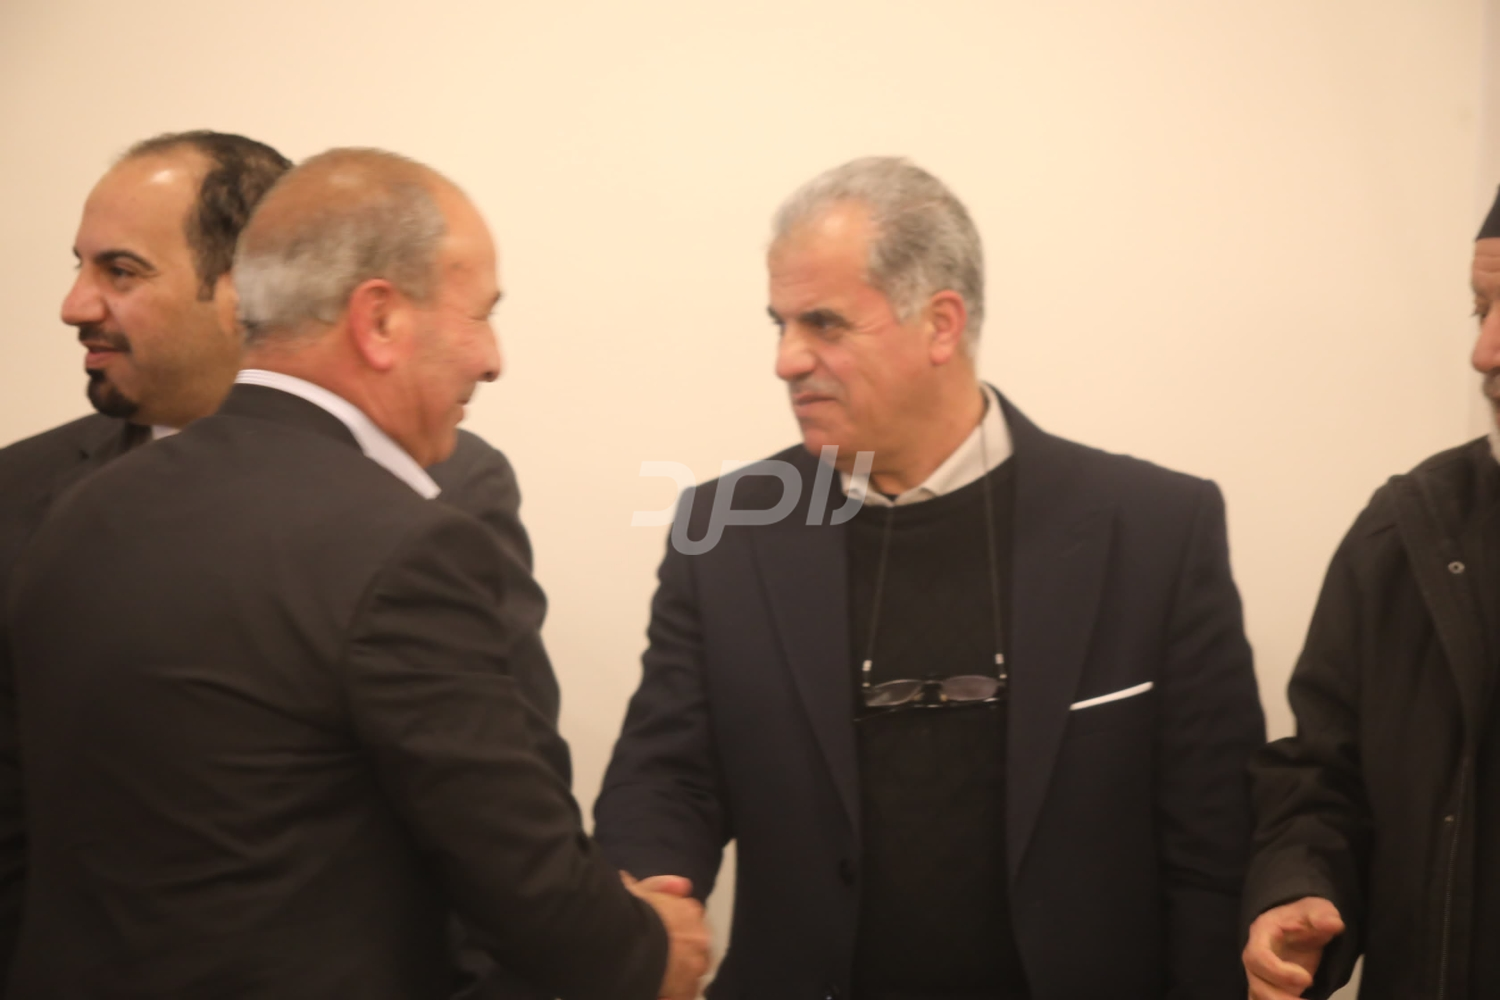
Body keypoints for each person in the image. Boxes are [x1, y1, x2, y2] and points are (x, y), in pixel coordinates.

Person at [0, 148, 709, 999]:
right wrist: (646, 950)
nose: (492, 359)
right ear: (378, 321)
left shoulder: (80, 512)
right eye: (479, 316)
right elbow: (514, 865)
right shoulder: (405, 542)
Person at [594, 156, 1266, 999]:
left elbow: (1214, 841)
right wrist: (655, 894)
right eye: (780, 324)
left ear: (941, 324)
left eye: (824, 324)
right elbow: (666, 772)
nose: (787, 360)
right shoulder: (726, 530)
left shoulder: (1153, 530)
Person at [0, 131, 566, 786]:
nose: (74, 306)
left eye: (121, 271)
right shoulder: (19, 488)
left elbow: (503, 778)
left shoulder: (449, 486)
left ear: (244, 285)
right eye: (80, 267)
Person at [1240, 191, 1500, 999]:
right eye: (1481, 309)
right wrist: (1298, 887)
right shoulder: (1411, 530)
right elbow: (1325, 776)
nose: (1483, 353)